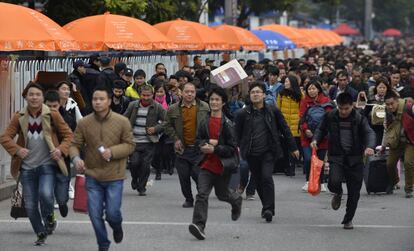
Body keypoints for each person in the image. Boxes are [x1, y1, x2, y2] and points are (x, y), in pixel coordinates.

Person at [0, 82, 73, 246]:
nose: (34, 97)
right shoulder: (18, 117)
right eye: (31, 94)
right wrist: (17, 149)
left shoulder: (53, 114)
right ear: (26, 97)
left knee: (46, 195)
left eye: (37, 95)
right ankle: (40, 232)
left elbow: (69, 135)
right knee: (31, 205)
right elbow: (4, 137)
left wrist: (60, 150)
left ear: (43, 97)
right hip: (26, 168)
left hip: (47, 164)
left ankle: (49, 218)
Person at [70, 86, 135, 251]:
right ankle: (103, 244)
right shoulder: (84, 123)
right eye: (94, 99)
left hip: (115, 176)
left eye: (101, 99)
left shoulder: (122, 121)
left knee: (113, 213)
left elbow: (130, 145)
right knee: (94, 214)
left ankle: (117, 225)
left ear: (109, 101)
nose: (97, 102)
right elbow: (74, 145)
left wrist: (112, 152)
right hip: (92, 175)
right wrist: (76, 158)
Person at [234, 81, 299, 222]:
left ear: (264, 94)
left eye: (258, 92)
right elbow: (236, 134)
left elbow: (285, 129)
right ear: (249, 95)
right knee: (258, 180)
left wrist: (293, 147)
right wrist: (239, 148)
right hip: (251, 153)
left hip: (269, 151)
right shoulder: (242, 114)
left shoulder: (272, 110)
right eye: (252, 92)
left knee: (266, 177)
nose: (255, 94)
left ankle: (269, 209)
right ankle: (266, 206)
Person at [311, 92, 376, 230]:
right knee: (333, 182)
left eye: (346, 108)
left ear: (352, 106)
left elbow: (369, 132)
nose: (344, 111)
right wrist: (316, 139)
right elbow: (321, 129)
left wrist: (370, 147)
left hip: (355, 158)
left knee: (354, 192)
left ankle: (348, 219)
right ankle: (338, 193)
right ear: (337, 106)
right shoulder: (330, 116)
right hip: (336, 157)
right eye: (341, 108)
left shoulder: (359, 118)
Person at [188, 87, 242, 240]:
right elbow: (198, 140)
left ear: (223, 103)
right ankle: (199, 225)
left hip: (222, 166)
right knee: (201, 194)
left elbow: (232, 149)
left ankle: (236, 200)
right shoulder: (204, 121)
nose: (214, 102)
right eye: (212, 99)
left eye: (217, 99)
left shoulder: (228, 124)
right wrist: (203, 145)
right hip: (206, 165)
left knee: (222, 194)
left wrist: (215, 149)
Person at [164, 82, 209, 208]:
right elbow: (166, 125)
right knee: (183, 177)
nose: (189, 94)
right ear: (181, 93)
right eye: (187, 91)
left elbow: (211, 124)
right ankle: (188, 199)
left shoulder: (204, 107)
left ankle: (202, 198)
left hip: (199, 149)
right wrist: (175, 139)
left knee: (198, 175)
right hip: (182, 149)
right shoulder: (173, 108)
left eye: (192, 92)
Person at [123, 85, 166, 195]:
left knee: (145, 165)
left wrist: (156, 128)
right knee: (134, 163)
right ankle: (135, 179)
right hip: (134, 141)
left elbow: (167, 121)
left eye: (148, 95)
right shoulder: (133, 105)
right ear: (140, 95)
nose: (146, 98)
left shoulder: (157, 107)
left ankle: (142, 187)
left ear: (153, 95)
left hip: (149, 142)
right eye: (143, 95)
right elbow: (123, 119)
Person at [44, 90, 76, 218]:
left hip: (62, 161)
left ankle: (62, 204)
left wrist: (60, 150)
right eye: (49, 106)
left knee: (62, 195)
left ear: (60, 104)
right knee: (45, 194)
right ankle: (49, 218)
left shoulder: (67, 118)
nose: (52, 109)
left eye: (54, 106)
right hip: (43, 161)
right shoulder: (38, 118)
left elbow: (70, 138)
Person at [299, 80, 334, 192]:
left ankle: (322, 182)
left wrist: (323, 131)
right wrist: (306, 129)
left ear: (318, 89)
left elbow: (329, 118)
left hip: (323, 137)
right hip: (307, 136)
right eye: (309, 89)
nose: (311, 91)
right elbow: (302, 118)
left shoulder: (326, 101)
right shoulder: (304, 102)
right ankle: (308, 181)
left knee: (320, 160)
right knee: (308, 159)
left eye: (314, 88)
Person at [382, 90, 414, 197]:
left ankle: (409, 188)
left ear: (397, 101)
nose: (390, 106)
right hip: (396, 141)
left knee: (408, 163)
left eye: (392, 104)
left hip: (410, 141)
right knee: (390, 164)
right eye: (387, 104)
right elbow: (386, 130)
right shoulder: (387, 112)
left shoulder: (409, 108)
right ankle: (394, 181)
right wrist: (383, 145)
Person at [56, 80, 82, 199]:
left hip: (69, 139)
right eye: (63, 89)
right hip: (55, 140)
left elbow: (80, 121)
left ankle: (68, 186)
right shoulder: (52, 105)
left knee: (66, 165)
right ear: (57, 91)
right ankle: (56, 193)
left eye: (68, 89)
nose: (66, 91)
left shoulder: (72, 104)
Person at [277, 75, 303, 176]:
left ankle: (292, 168)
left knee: (294, 147)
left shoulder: (300, 94)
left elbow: (302, 109)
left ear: (292, 82)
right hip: (285, 123)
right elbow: (278, 109)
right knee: (286, 147)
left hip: (296, 124)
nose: (285, 83)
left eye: (287, 81)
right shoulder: (281, 94)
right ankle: (288, 167)